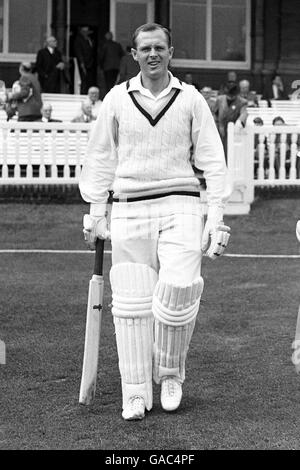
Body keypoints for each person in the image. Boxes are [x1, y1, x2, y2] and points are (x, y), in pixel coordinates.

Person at [79, 23, 231, 421]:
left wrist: (215, 216)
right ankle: (134, 391)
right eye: (145, 48)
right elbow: (99, 157)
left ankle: (169, 375)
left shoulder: (190, 99)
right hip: (129, 205)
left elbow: (213, 160)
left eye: (159, 48)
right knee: (131, 304)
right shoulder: (116, 99)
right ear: (133, 54)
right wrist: (96, 211)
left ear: (170, 52)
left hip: (181, 202)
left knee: (179, 290)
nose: (152, 54)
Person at [213, 81, 248, 159]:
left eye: (232, 95)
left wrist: (238, 123)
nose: (231, 97)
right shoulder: (220, 99)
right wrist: (217, 126)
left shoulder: (243, 102)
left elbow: (244, 113)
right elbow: (215, 113)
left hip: (234, 129)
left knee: (231, 154)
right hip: (220, 129)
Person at [73, 26, 96, 94]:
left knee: (88, 80)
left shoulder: (88, 39)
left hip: (90, 63)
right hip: (83, 63)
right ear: (82, 32)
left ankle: (87, 93)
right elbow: (78, 52)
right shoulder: (78, 39)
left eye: (87, 31)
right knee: (83, 80)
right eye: (85, 32)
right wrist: (82, 62)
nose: (87, 33)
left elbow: (91, 50)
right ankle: (83, 93)